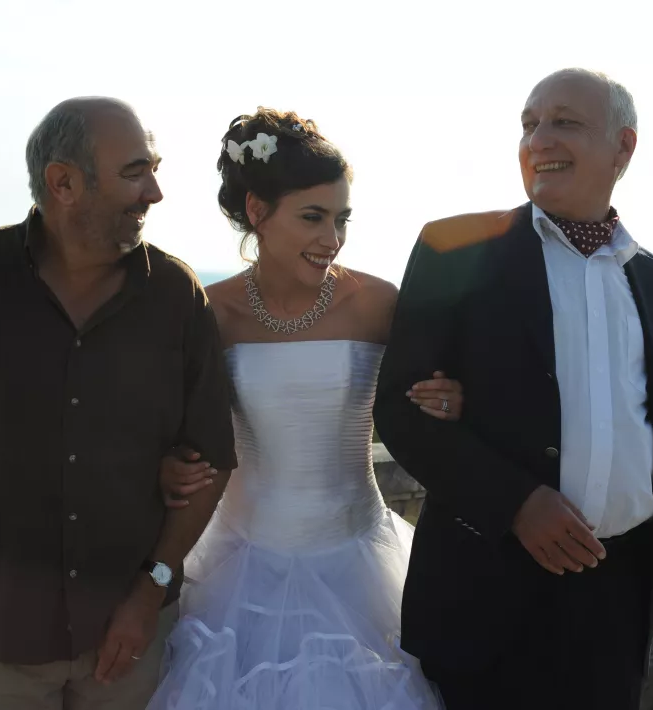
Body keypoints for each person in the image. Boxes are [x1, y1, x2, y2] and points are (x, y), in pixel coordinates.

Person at [0, 97, 237, 709]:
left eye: (154, 169)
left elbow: (211, 458)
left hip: (131, 639)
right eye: (135, 172)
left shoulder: (176, 296)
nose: (155, 192)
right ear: (63, 182)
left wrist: (149, 593)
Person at [373, 68, 653, 710]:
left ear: (623, 146)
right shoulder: (454, 248)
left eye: (564, 122)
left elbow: (632, 420)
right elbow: (400, 414)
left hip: (614, 597)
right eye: (529, 124)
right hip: (490, 592)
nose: (539, 139)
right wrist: (516, 502)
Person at [147, 108, 462, 709]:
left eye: (342, 219)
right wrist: (165, 466)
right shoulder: (211, 313)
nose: (332, 239)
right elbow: (170, 426)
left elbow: (432, 394)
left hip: (360, 565)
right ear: (257, 211)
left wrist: (449, 400)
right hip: (243, 569)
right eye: (313, 217)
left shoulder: (376, 303)